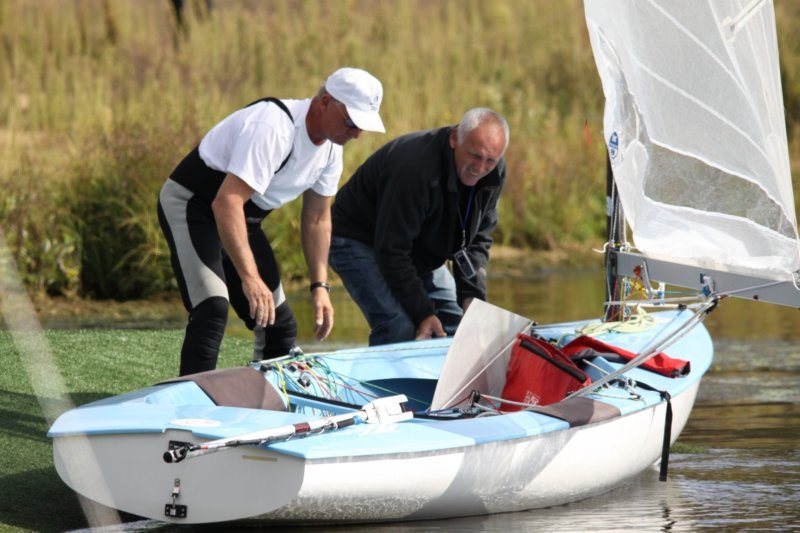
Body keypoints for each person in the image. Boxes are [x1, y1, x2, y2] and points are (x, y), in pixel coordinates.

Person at [158, 67, 385, 376]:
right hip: (193, 206)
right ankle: (188, 398)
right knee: (212, 308)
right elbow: (226, 202)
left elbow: (317, 218)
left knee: (279, 327)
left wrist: (320, 286)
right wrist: (250, 278)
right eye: (351, 122)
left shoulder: (332, 150)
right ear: (324, 102)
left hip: (243, 218)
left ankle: (266, 399)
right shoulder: (274, 127)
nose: (356, 134)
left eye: (362, 127)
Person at [329, 108, 509, 346]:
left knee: (457, 325)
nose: (480, 167)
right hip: (355, 238)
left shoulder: (494, 172)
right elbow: (391, 251)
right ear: (454, 138)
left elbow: (477, 240)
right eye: (475, 156)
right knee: (399, 326)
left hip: (415, 246)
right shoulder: (415, 169)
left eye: (490, 160)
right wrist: (423, 313)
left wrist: (471, 297)